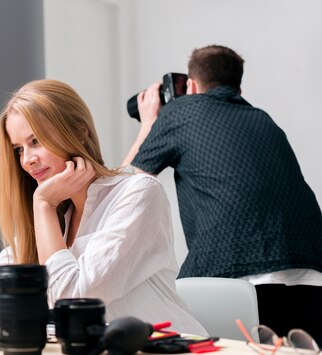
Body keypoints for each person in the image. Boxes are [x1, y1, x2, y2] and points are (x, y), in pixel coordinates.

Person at [0, 79, 207, 335]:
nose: (27, 160)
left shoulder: (137, 194)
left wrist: (43, 203)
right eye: (19, 149)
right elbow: (1, 276)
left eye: (36, 141)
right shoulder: (58, 214)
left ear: (78, 131)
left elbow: (71, 300)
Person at [122, 45, 322, 342]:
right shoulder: (263, 119)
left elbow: (125, 186)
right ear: (237, 85)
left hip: (233, 273)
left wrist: (150, 122)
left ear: (191, 85)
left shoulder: (182, 110)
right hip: (310, 268)